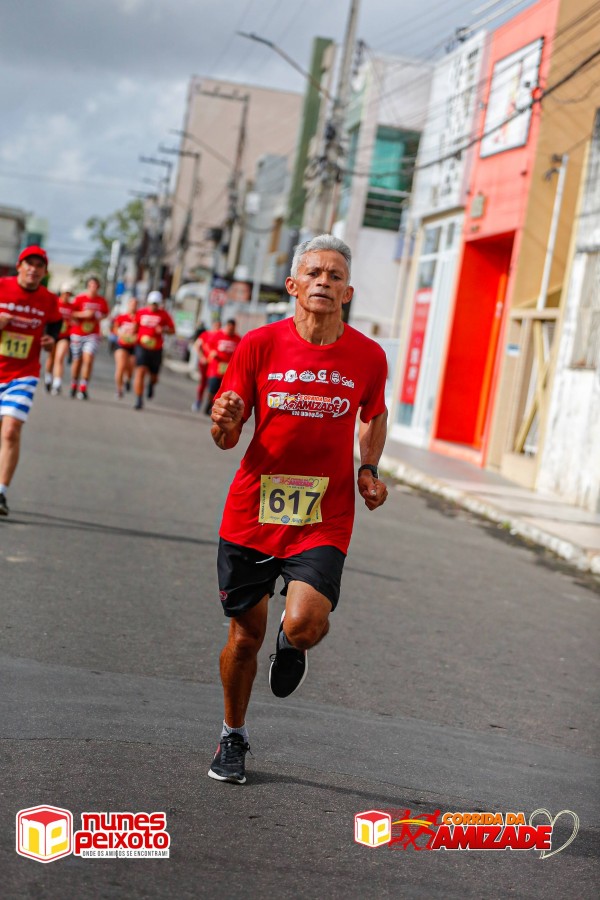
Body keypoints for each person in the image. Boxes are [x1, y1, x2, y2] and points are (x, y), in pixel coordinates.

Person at [208, 234, 388, 784]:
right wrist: (224, 419)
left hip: (323, 514)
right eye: (313, 273)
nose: (323, 283)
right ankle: (232, 736)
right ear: (292, 285)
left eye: (335, 276)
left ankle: (293, 640)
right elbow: (226, 435)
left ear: (349, 291)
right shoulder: (259, 345)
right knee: (244, 638)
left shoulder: (367, 355)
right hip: (253, 512)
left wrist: (368, 468)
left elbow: (373, 415)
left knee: (306, 624)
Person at [0, 245, 62, 516]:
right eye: (29, 263)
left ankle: (0, 493)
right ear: (19, 265)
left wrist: (51, 340)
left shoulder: (49, 300)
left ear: (44, 272)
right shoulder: (2, 286)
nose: (33, 269)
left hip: (23, 374)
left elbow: (55, 327)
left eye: (39, 265)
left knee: (11, 429)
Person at [132, 290, 175, 410]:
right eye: (152, 303)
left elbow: (172, 330)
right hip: (142, 346)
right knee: (140, 371)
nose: (153, 306)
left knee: (154, 376)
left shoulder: (164, 315)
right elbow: (135, 327)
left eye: (156, 304)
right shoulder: (141, 313)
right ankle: (139, 399)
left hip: (156, 349)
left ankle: (151, 384)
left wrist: (163, 330)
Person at [69, 276, 109, 399]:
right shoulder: (80, 298)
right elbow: (71, 313)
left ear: (98, 287)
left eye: (95, 286)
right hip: (77, 333)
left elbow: (105, 314)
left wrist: (97, 315)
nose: (93, 288)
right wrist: (83, 314)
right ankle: (74, 384)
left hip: (92, 334)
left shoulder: (101, 301)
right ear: (87, 286)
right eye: (91, 285)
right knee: (77, 360)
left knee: (88, 359)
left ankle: (83, 387)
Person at [203, 318, 241, 415]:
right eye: (229, 328)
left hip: (228, 370)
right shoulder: (218, 335)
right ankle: (209, 402)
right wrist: (211, 352)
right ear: (226, 326)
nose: (230, 330)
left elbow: (241, 352)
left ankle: (215, 407)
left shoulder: (238, 339)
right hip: (216, 368)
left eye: (232, 329)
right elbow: (207, 345)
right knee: (212, 388)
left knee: (223, 391)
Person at [44, 282, 75, 395]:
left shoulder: (72, 307)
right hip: (53, 334)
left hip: (65, 336)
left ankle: (57, 384)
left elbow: (75, 319)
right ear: (61, 293)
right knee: (51, 358)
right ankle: (48, 378)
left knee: (60, 358)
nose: (67, 296)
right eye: (65, 293)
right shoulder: (55, 303)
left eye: (69, 294)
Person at [112, 297, 138, 398]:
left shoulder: (139, 318)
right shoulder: (122, 317)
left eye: (135, 304)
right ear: (128, 305)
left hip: (134, 346)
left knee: (130, 367)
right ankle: (119, 389)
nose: (133, 306)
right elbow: (114, 328)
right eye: (131, 304)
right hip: (122, 345)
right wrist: (120, 333)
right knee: (121, 366)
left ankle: (128, 379)